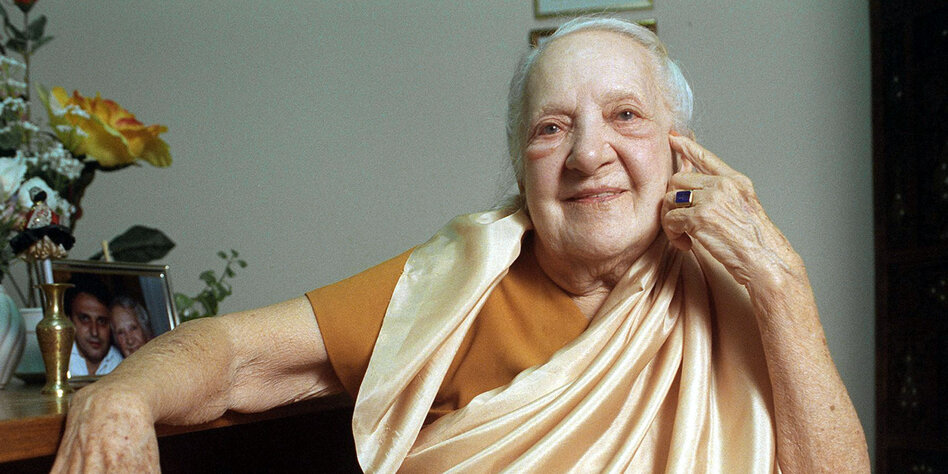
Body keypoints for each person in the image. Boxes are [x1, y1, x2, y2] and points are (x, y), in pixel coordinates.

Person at [51, 17, 870, 472]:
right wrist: (123, 398)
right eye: (552, 129)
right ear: (521, 167)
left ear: (679, 149)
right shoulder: (461, 280)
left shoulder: (746, 291)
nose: (588, 154)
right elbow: (232, 356)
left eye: (626, 116)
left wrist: (783, 284)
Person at [64, 277, 123, 377]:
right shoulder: (58, 360)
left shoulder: (118, 363)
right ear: (69, 321)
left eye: (101, 321)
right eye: (85, 319)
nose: (94, 332)